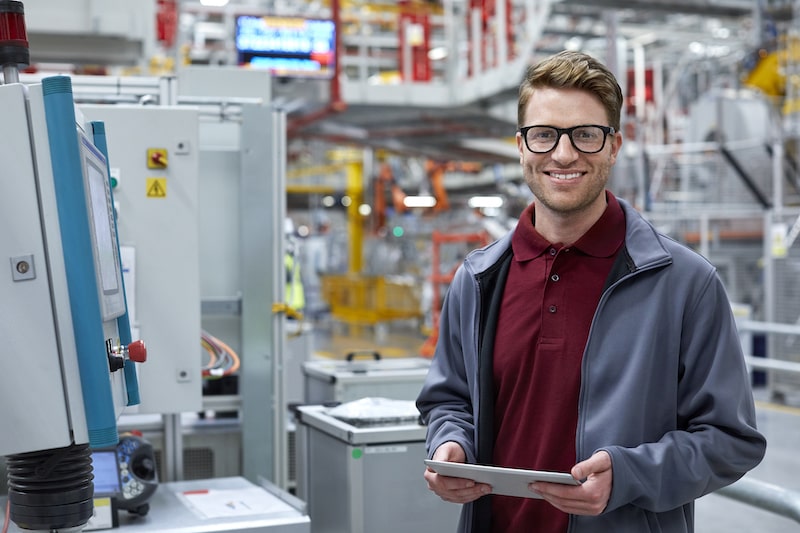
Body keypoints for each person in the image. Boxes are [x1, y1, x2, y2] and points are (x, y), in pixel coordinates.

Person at [415, 50, 766, 533]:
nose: (563, 154)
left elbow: (730, 440)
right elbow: (449, 400)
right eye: (544, 135)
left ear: (614, 145)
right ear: (521, 146)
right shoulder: (478, 280)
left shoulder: (685, 283)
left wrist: (628, 475)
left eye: (585, 134)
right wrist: (449, 444)